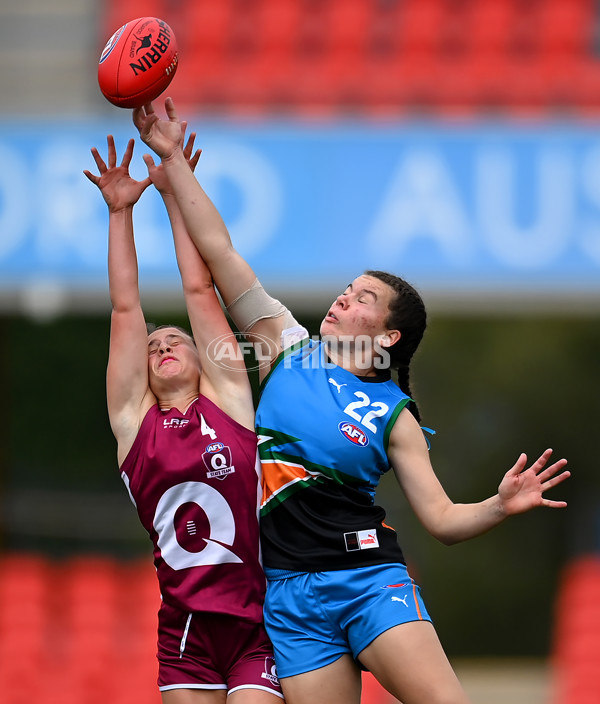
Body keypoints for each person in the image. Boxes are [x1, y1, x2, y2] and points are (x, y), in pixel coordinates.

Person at [131, 98, 571, 704]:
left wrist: (497, 504)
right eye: (346, 288)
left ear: (388, 335)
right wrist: (176, 159)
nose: (343, 298)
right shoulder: (286, 347)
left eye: (362, 297)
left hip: (366, 579)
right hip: (288, 596)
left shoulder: (395, 415)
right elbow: (222, 253)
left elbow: (441, 521)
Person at [84, 133, 283, 703]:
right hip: (186, 629)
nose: (163, 346)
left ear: (204, 358)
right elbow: (127, 306)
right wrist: (121, 213)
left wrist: (174, 194)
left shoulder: (229, 405)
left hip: (260, 621)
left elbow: (199, 287)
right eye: (153, 347)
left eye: (176, 340)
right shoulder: (133, 425)